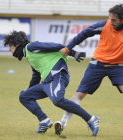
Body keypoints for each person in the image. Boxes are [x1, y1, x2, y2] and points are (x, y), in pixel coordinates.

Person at [3, 30, 99, 136]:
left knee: (58, 100)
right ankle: (44, 121)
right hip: (47, 82)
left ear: (17, 44)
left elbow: (56, 46)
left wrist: (74, 53)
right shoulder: (30, 56)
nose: (9, 49)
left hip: (57, 75)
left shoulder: (31, 47)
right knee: (24, 96)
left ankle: (91, 119)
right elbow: (36, 75)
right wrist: (29, 89)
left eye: (10, 46)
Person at [54, 4, 123, 136]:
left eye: (114, 20)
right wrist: (68, 48)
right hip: (97, 64)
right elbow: (84, 33)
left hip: (118, 66)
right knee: (79, 94)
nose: (111, 22)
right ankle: (62, 123)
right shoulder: (105, 25)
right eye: (110, 19)